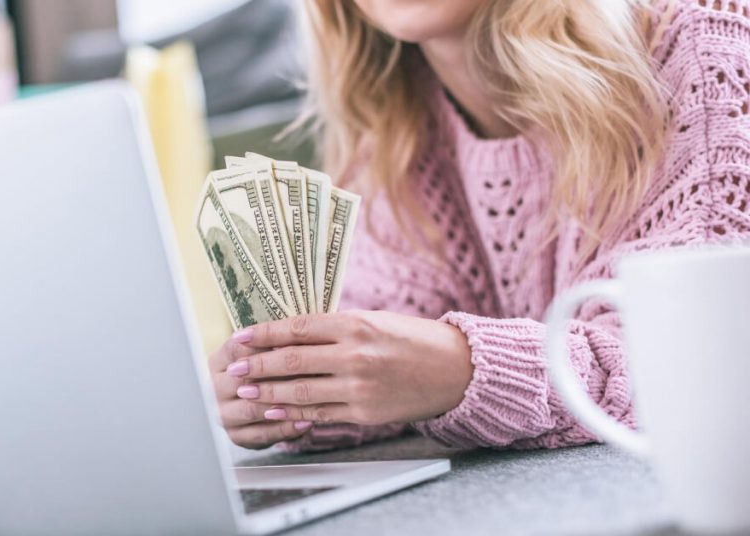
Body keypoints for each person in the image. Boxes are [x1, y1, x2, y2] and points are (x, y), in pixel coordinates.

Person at [211, 0, 750, 451]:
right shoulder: (395, 134)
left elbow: (704, 371)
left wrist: (463, 370)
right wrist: (302, 392)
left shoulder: (706, 48)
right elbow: (397, 360)